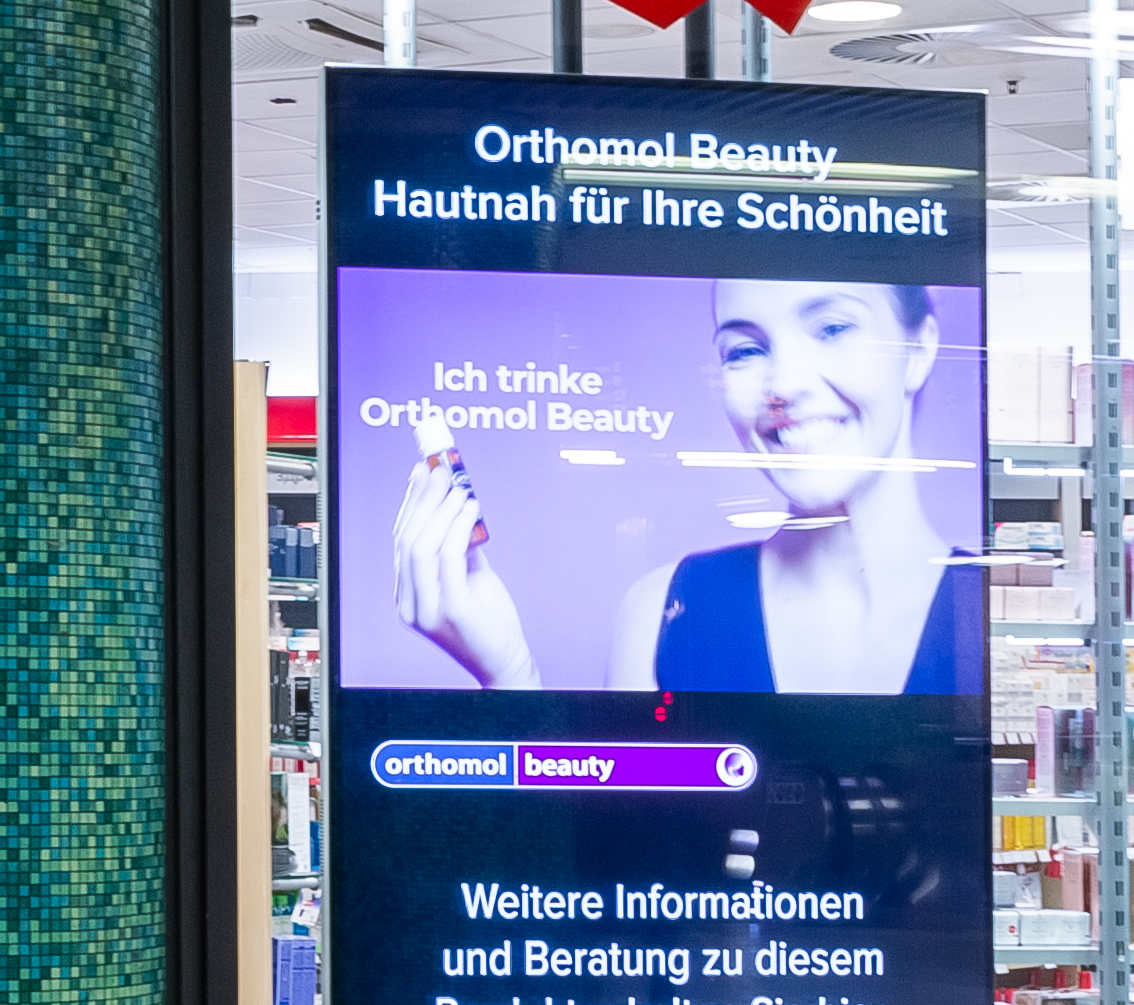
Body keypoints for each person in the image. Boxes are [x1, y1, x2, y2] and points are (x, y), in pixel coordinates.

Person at [388, 277, 977, 696]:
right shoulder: (663, 611)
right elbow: (618, 854)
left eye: (832, 327)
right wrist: (511, 675)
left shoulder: (990, 611)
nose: (786, 385)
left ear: (920, 350)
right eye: (745, 350)